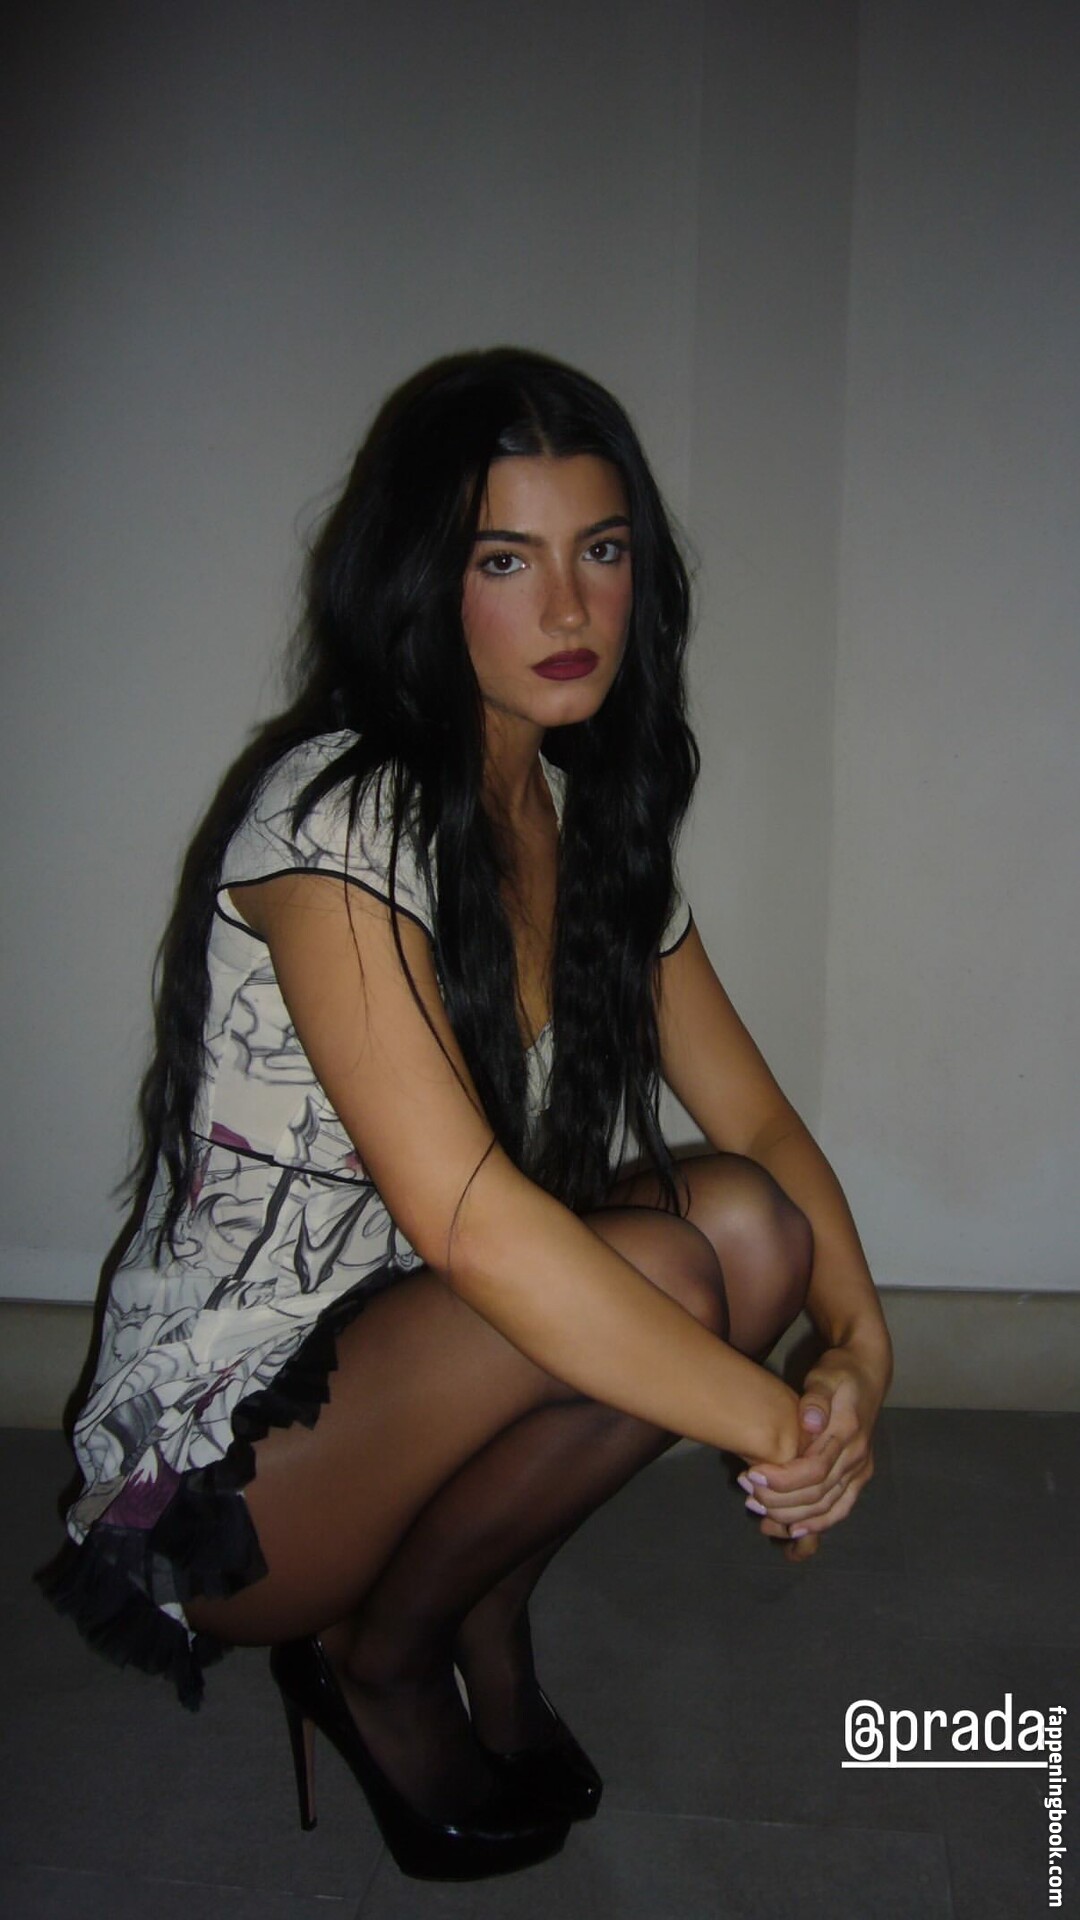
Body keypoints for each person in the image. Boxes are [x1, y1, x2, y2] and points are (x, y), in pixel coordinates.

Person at [41, 348, 893, 1881]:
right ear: (422, 584)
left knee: (751, 1233)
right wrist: (779, 1427)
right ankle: (376, 1657)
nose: (569, 609)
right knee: (668, 1270)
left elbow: (762, 1132)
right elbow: (475, 1228)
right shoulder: (336, 812)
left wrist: (863, 1349)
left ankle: (475, 1599)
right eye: (506, 560)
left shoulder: (581, 819)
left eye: (602, 551)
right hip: (235, 1452)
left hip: (426, 1345)